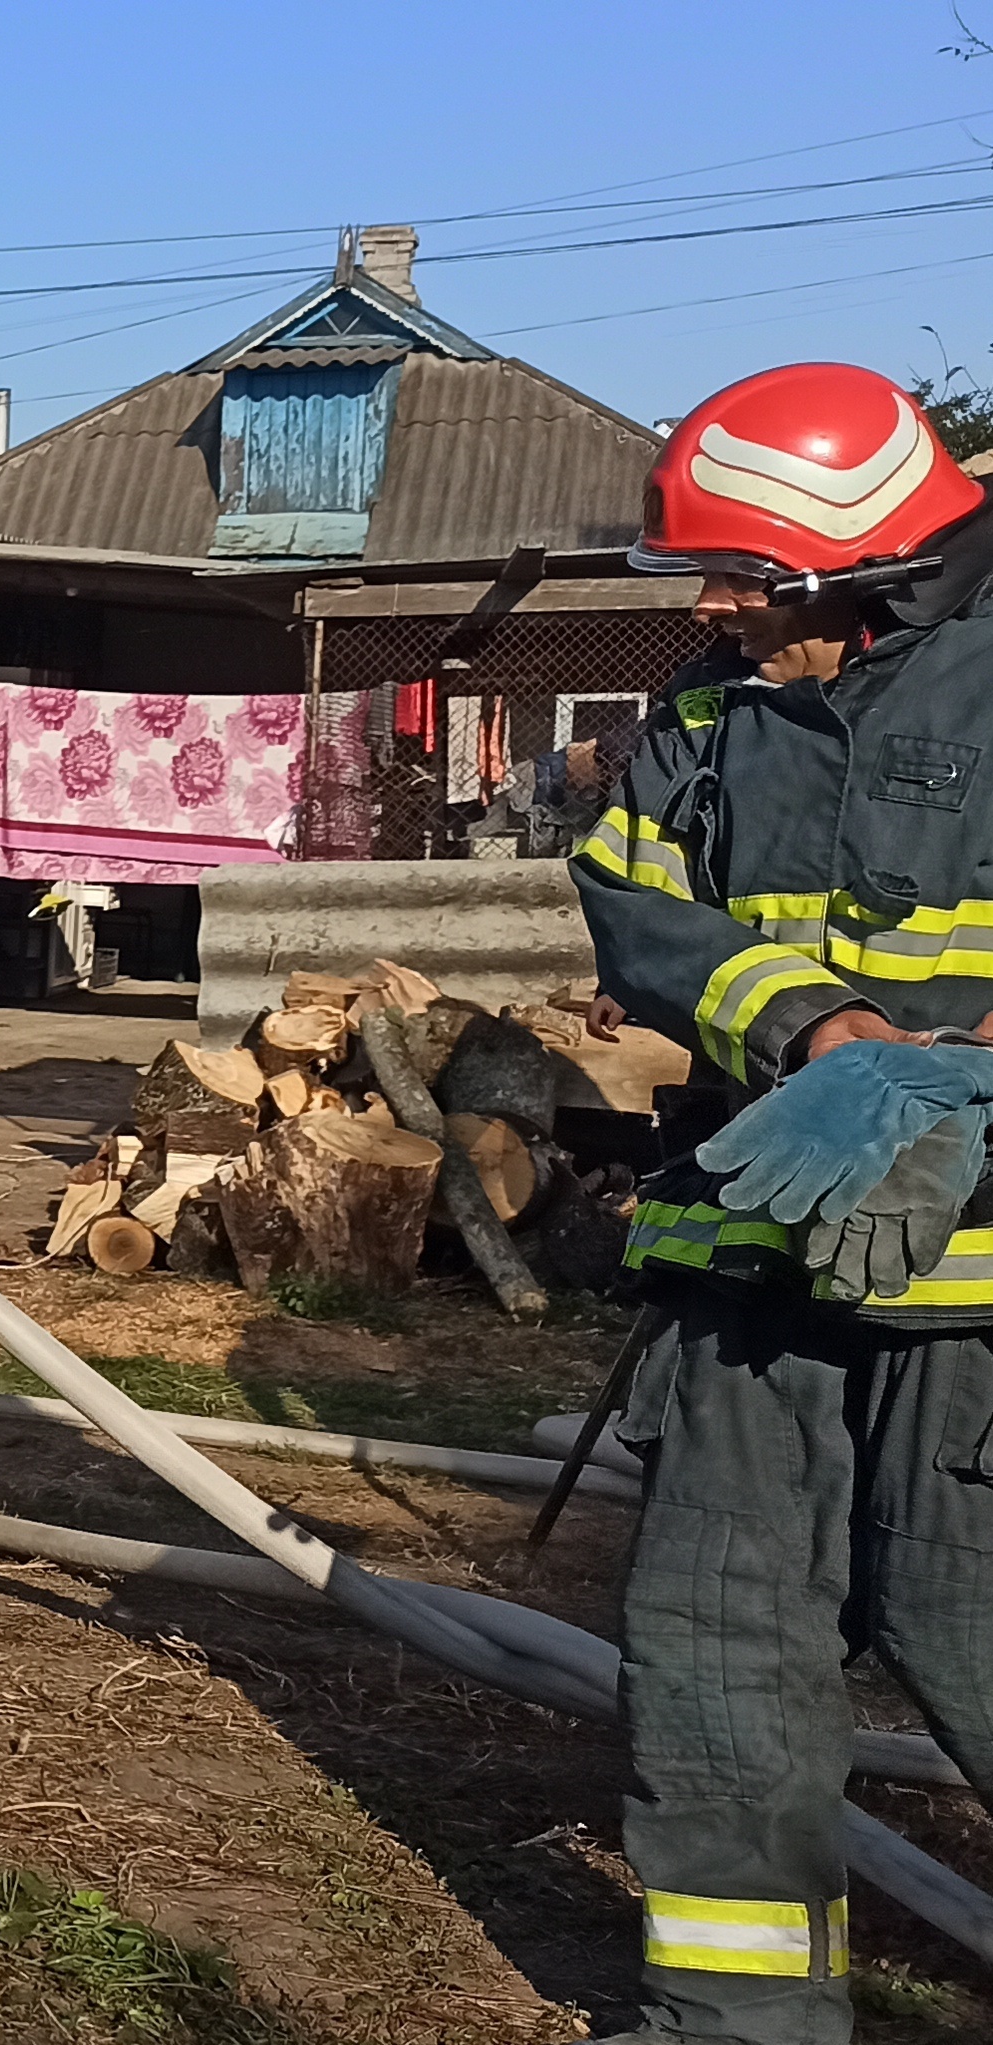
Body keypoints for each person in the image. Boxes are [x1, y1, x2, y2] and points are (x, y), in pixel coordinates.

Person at [572, 361, 993, 2045]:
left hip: (971, 1305)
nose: (717, 604)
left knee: (972, 1639)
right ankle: (730, 2027)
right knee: (715, 1663)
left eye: (748, 576)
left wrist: (956, 1075)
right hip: (757, 1278)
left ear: (870, 566)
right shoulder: (704, 712)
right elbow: (630, 894)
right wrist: (814, 1026)